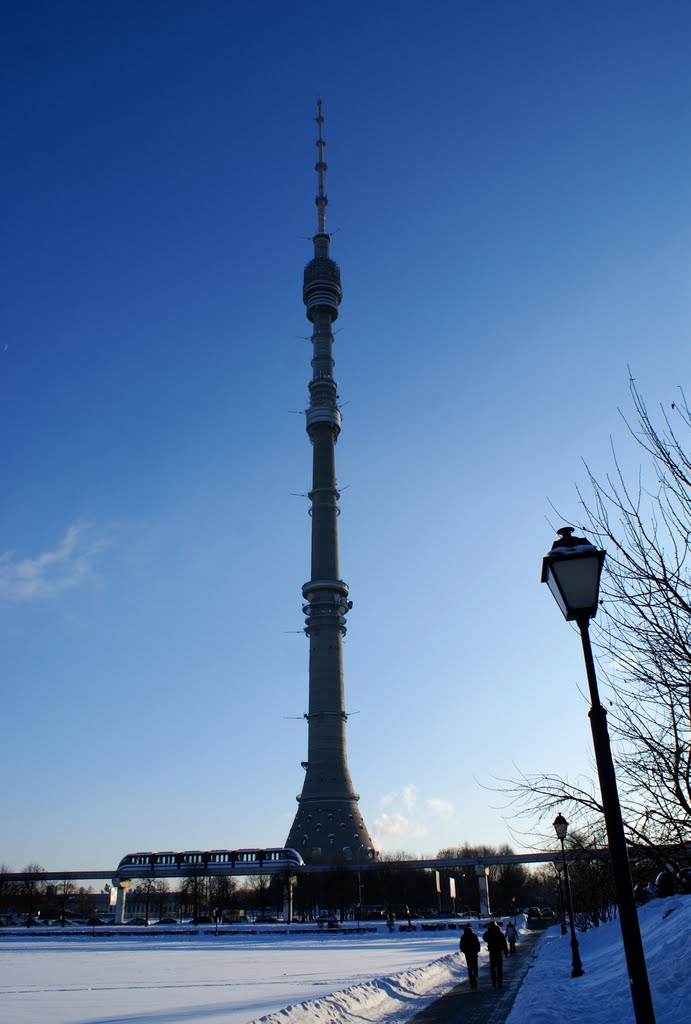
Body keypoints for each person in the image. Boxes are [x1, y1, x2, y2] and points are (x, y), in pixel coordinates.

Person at [483, 920, 509, 989]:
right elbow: (504, 943)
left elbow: (484, 937)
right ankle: (499, 982)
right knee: (499, 968)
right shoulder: (500, 933)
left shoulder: (489, 932)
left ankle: (494, 982)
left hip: (492, 952)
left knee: (492, 968)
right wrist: (506, 951)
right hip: (498, 952)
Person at [459, 923, 481, 989]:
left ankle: (472, 982)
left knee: (470, 968)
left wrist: (465, 951)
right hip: (474, 953)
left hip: (468, 955)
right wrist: (477, 950)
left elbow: (461, 946)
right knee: (475, 967)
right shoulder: (474, 936)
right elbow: (478, 944)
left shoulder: (463, 937)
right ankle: (475, 980)